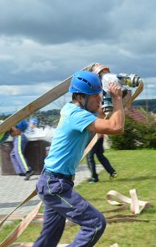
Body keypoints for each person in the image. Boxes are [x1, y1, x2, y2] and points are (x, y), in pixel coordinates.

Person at [33, 70, 124, 247]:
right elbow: (116, 127)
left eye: (99, 95)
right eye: (94, 96)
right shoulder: (77, 116)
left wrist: (101, 75)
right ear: (81, 97)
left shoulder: (72, 109)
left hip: (53, 181)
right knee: (95, 224)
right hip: (55, 185)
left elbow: (101, 113)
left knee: (49, 237)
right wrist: (118, 99)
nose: (98, 99)